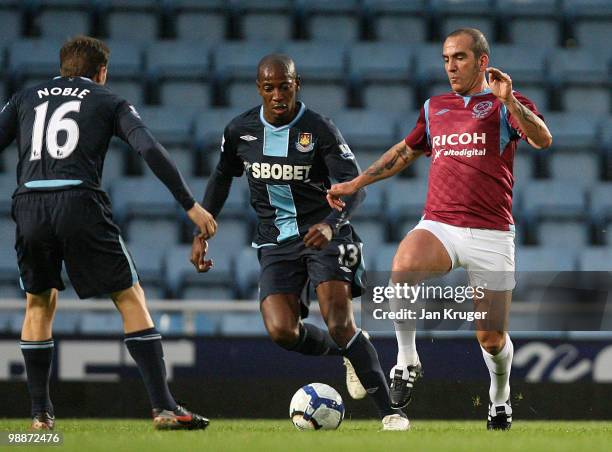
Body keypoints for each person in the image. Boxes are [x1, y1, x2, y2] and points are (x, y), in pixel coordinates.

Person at [327, 28, 552, 430]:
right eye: (446, 58)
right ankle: (407, 359)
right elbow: (404, 152)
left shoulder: (505, 105)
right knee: (403, 266)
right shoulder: (435, 107)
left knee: (492, 339)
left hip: (492, 233)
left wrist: (511, 102)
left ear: (482, 61)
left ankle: (499, 399)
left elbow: (542, 139)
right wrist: (356, 183)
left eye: (460, 58)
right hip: (441, 224)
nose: (451, 66)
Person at [0, 36, 217, 430]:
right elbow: (148, 148)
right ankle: (164, 407)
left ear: (63, 66)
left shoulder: (24, 97)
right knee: (128, 295)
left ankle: (40, 418)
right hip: (79, 200)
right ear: (101, 72)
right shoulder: (107, 100)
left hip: (29, 203)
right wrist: (190, 204)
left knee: (38, 303)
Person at [190, 54, 409, 430]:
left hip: (327, 234)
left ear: (297, 84)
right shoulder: (239, 131)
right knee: (281, 331)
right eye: (269, 87)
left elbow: (356, 190)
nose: (278, 95)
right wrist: (203, 228)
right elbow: (222, 177)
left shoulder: (319, 129)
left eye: (285, 86)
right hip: (275, 242)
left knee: (339, 320)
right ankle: (349, 350)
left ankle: (391, 412)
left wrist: (329, 223)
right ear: (259, 88)